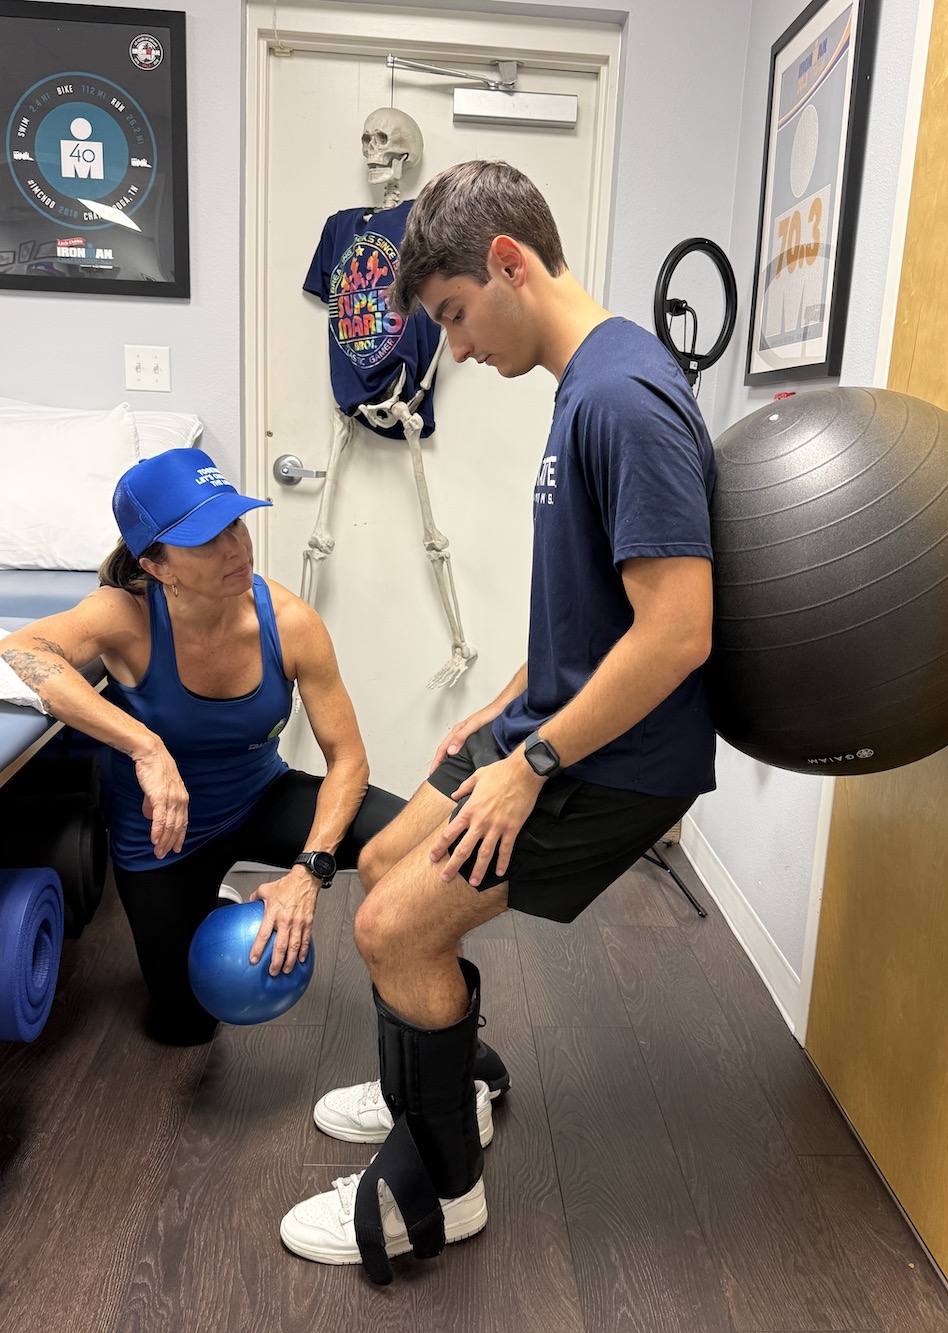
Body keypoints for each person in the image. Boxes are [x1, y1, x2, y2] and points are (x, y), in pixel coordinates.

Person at [279, 160, 717, 1284]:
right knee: (382, 861)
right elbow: (602, 597)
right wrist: (500, 704)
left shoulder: (621, 396)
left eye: (455, 316)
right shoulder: (587, 384)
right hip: (549, 717)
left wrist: (527, 759)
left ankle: (441, 1196)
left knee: (392, 929)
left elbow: (674, 633)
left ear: (510, 264)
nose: (457, 349)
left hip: (610, 761)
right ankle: (448, 1081)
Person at [0, 446, 403, 1046]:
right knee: (185, 1027)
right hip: (163, 839)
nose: (237, 550)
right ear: (157, 565)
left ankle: (430, 1032)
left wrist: (308, 870)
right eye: (207, 540)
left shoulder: (288, 621)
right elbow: (21, 651)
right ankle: (205, 904)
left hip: (261, 797)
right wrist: (146, 747)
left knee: (415, 838)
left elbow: (348, 761)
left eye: (236, 525)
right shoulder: (125, 616)